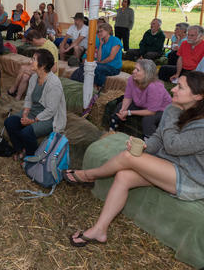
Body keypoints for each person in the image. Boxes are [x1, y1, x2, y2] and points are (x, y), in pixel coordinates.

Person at [66, 71, 204, 247]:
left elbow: (172, 145)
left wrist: (172, 111)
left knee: (128, 157)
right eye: (176, 84)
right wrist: (145, 146)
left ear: (198, 96)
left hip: (189, 178)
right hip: (170, 166)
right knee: (123, 176)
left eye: (180, 87)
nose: (173, 89)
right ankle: (100, 230)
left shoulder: (198, 124)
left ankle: (88, 175)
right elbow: (159, 138)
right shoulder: (174, 109)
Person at [5, 49, 66, 160]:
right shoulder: (34, 77)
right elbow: (28, 98)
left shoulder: (54, 84)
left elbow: (51, 110)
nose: (30, 62)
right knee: (10, 122)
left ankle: (31, 158)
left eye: (34, 59)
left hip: (50, 118)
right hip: (34, 111)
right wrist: (25, 113)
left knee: (27, 132)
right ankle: (20, 149)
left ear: (43, 65)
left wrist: (32, 121)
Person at [109, 59, 172, 138]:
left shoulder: (155, 87)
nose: (133, 71)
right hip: (143, 104)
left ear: (147, 74)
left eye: (137, 70)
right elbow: (128, 97)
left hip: (161, 109)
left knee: (148, 120)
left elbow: (151, 112)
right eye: (134, 68)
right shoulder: (131, 79)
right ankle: (111, 132)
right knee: (120, 106)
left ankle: (149, 141)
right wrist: (123, 110)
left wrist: (128, 112)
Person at [7, 30, 58, 100]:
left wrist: (40, 73)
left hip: (48, 75)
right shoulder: (41, 45)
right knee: (25, 76)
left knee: (23, 68)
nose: (32, 45)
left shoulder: (49, 47)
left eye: (31, 43)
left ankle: (13, 88)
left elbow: (54, 69)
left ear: (34, 40)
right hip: (41, 69)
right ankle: (18, 97)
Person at [71, 23, 122, 88]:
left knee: (93, 68)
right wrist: (100, 45)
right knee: (83, 66)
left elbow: (111, 58)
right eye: (98, 31)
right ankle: (74, 84)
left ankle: (98, 87)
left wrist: (99, 63)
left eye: (101, 31)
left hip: (114, 68)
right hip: (103, 65)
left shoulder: (115, 40)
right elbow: (99, 59)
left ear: (108, 31)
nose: (99, 33)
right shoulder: (101, 42)